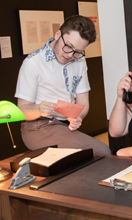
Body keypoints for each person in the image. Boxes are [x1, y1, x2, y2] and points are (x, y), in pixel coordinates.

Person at [15, 15, 110, 154]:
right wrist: (39, 109)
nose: (71, 55)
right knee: (102, 151)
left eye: (78, 52)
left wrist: (78, 117)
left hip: (63, 126)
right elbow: (22, 111)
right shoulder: (33, 62)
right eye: (68, 47)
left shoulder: (80, 62)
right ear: (58, 34)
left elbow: (83, 102)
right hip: (37, 127)